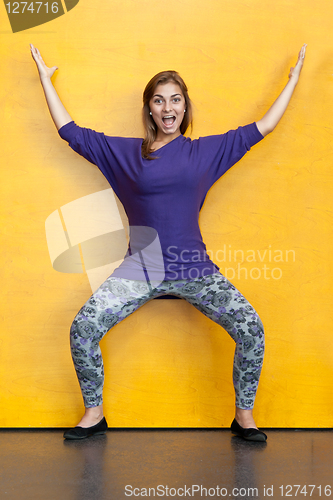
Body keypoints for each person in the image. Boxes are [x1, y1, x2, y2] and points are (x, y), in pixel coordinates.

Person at [30, 43, 306, 441]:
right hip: (141, 270)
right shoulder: (126, 154)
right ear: (149, 109)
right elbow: (69, 132)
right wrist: (44, 78)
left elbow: (263, 127)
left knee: (252, 330)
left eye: (175, 99)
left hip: (194, 269)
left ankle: (244, 417)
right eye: (159, 100)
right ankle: (94, 413)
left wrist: (293, 79)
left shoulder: (205, 152)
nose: (168, 107)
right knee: (83, 327)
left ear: (184, 107)